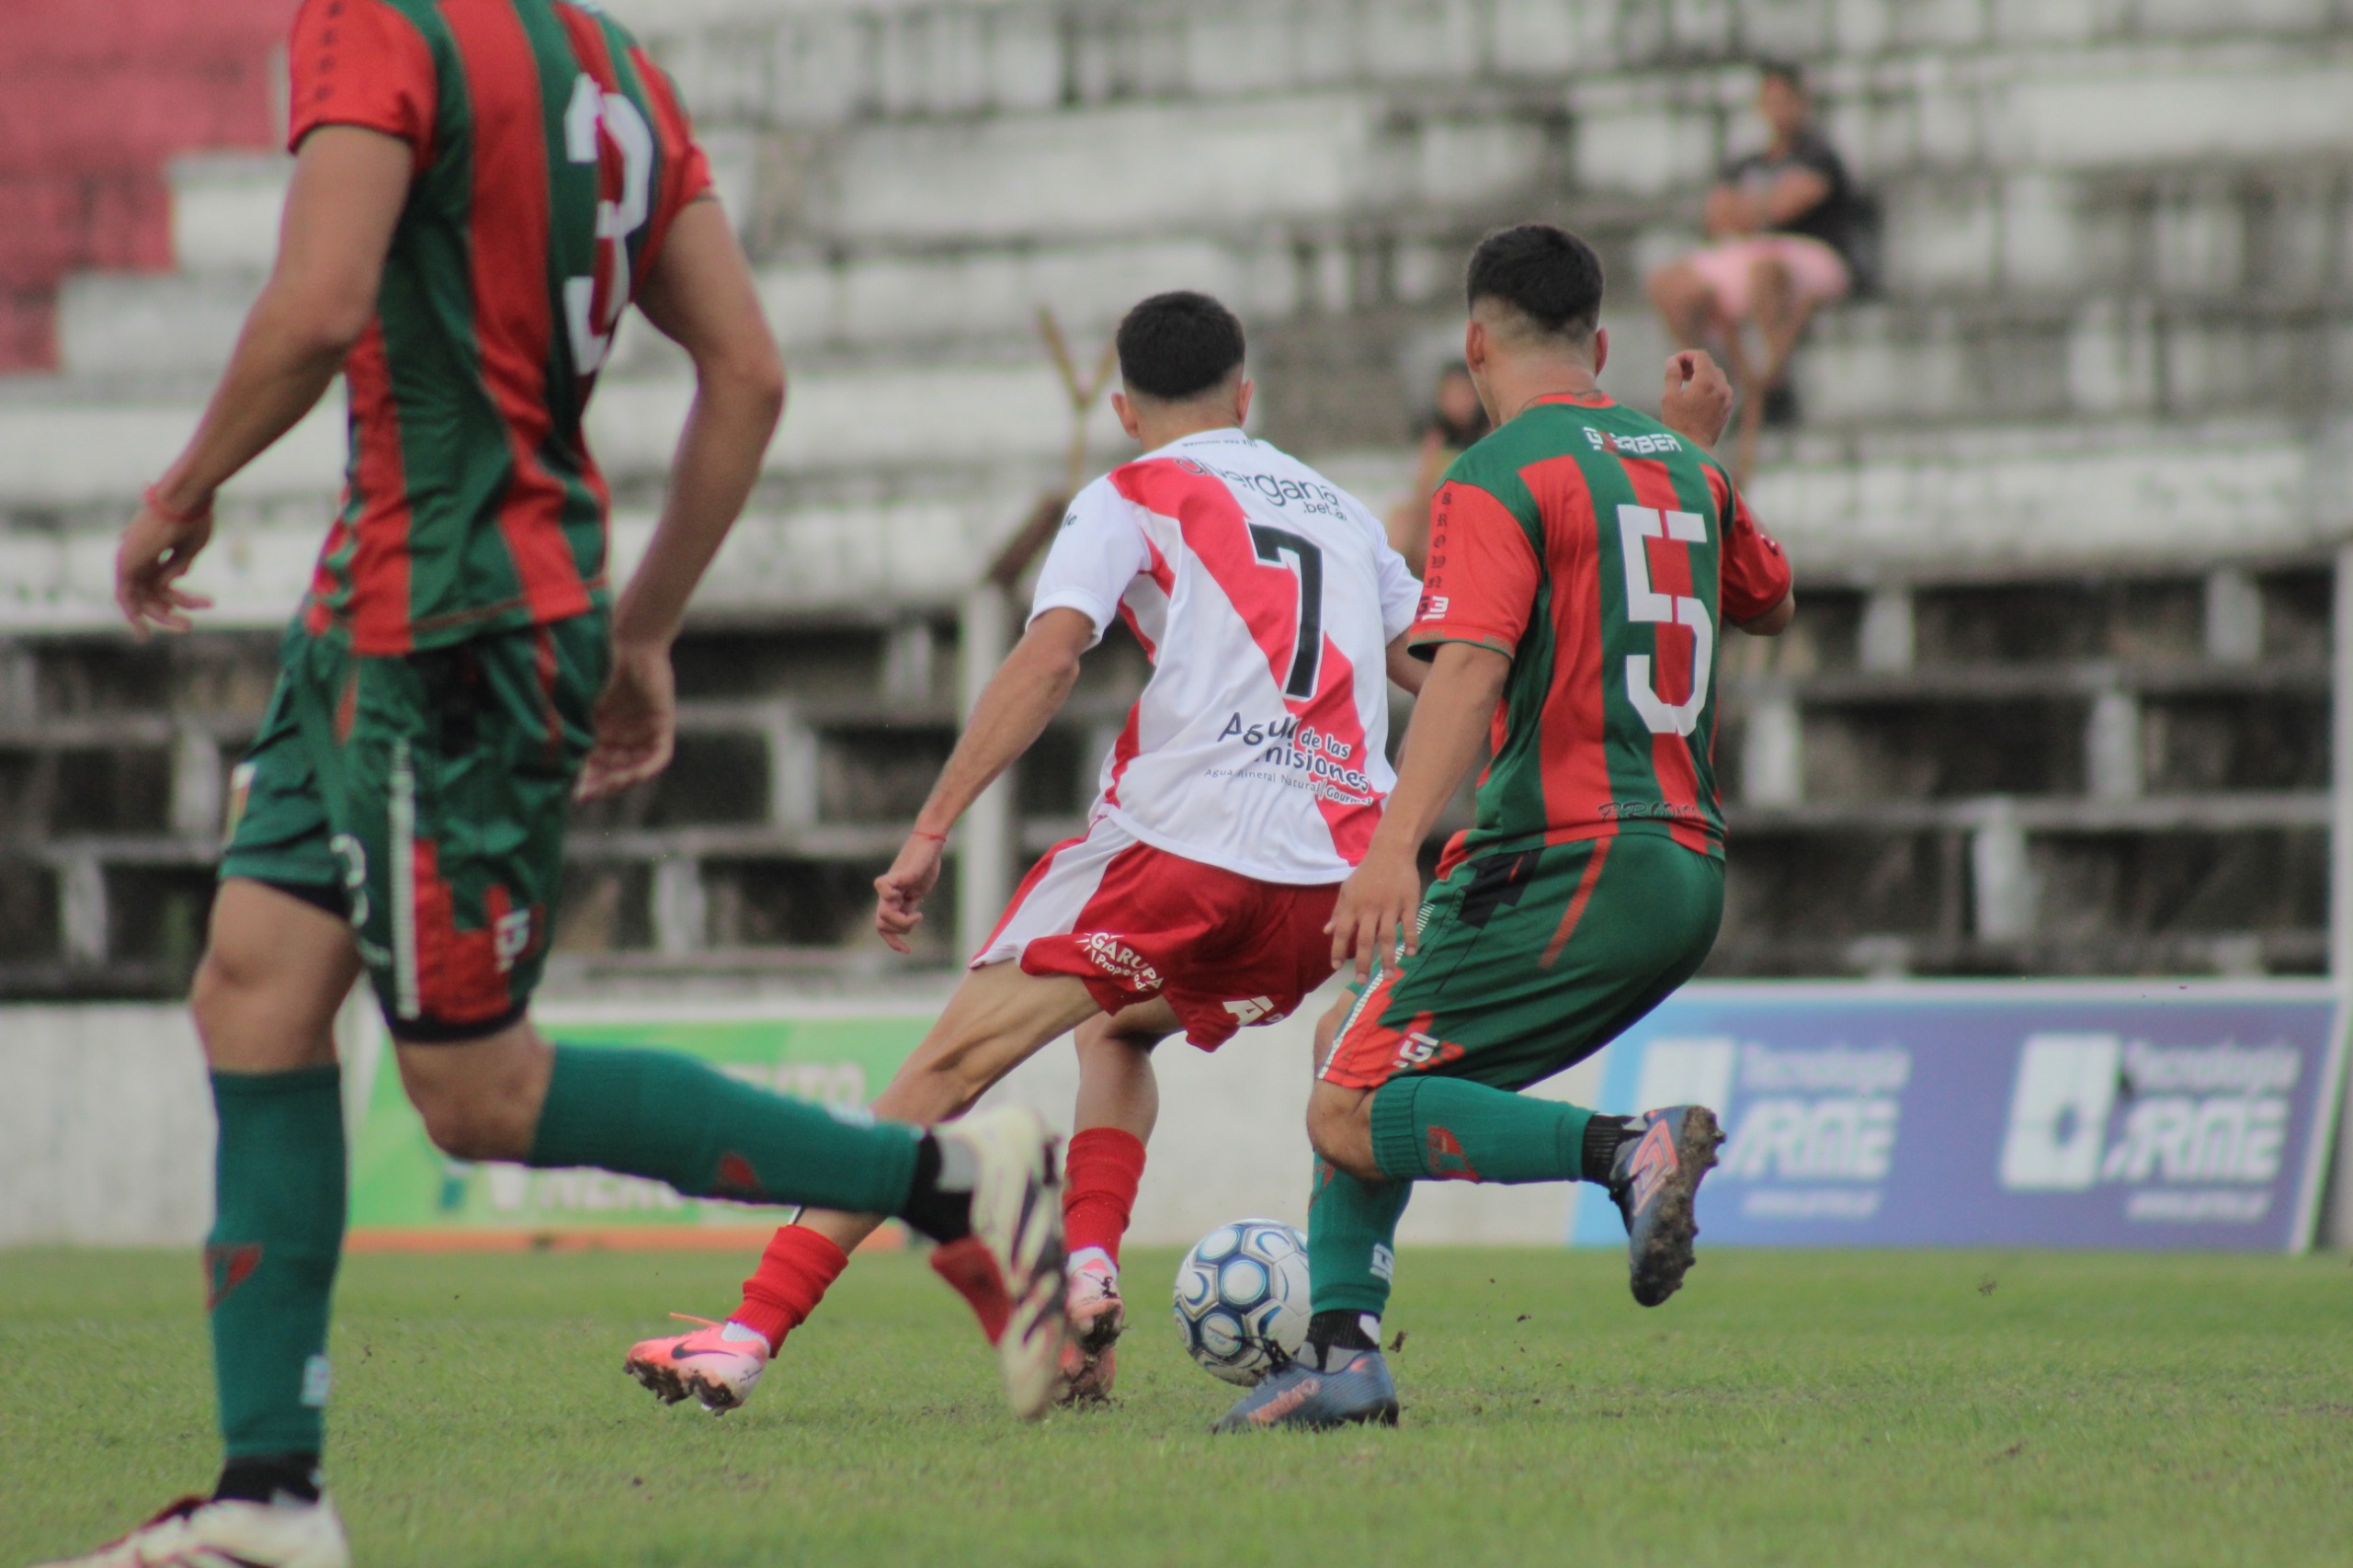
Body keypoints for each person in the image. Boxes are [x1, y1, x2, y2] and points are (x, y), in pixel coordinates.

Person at [51, 4, 1065, 1563]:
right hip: (383, 616)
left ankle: (943, 1178)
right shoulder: (608, 62)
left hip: (441, 630)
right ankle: (270, 1496)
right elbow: (748, 371)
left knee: (476, 1091)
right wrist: (641, 622)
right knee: (252, 991)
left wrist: (181, 488)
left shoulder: (378, 23)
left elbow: (322, 304)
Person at [620, 290, 1434, 1414]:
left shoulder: (1129, 489)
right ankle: (1087, 1277)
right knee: (1121, 1024)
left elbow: (1052, 657)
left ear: (1122, 407)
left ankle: (747, 1330)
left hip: (1180, 849)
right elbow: (1448, 670)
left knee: (946, 1069)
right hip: (1329, 887)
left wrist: (930, 826)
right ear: (1246, 398)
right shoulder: (1348, 514)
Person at [1219, 223, 1793, 1434]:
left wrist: (1392, 848)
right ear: (1598, 344)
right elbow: (1768, 597)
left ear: (1476, 342)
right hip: (1688, 871)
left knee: (1340, 1097)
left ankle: (1625, 1149)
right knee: (1365, 1048)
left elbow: (1468, 668)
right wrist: (1692, 451)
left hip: (1566, 857)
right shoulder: (1684, 466)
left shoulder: (1493, 474)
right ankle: (1345, 1352)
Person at [1645, 59, 1859, 461]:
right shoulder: (1745, 163)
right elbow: (1719, 215)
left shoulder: (1819, 156)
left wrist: (1749, 211)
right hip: (1747, 251)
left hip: (1806, 254)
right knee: (1669, 285)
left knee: (1767, 271)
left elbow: (1786, 207)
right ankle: (1714, 382)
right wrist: (1759, 209)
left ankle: (1772, 386)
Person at [1382, 362, 1490, 576]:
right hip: (1436, 512)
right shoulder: (1436, 438)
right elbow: (1422, 489)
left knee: (1432, 541)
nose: (1456, 402)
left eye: (1462, 393)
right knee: (1403, 522)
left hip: (1469, 518)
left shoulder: (1488, 436)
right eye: (1449, 394)